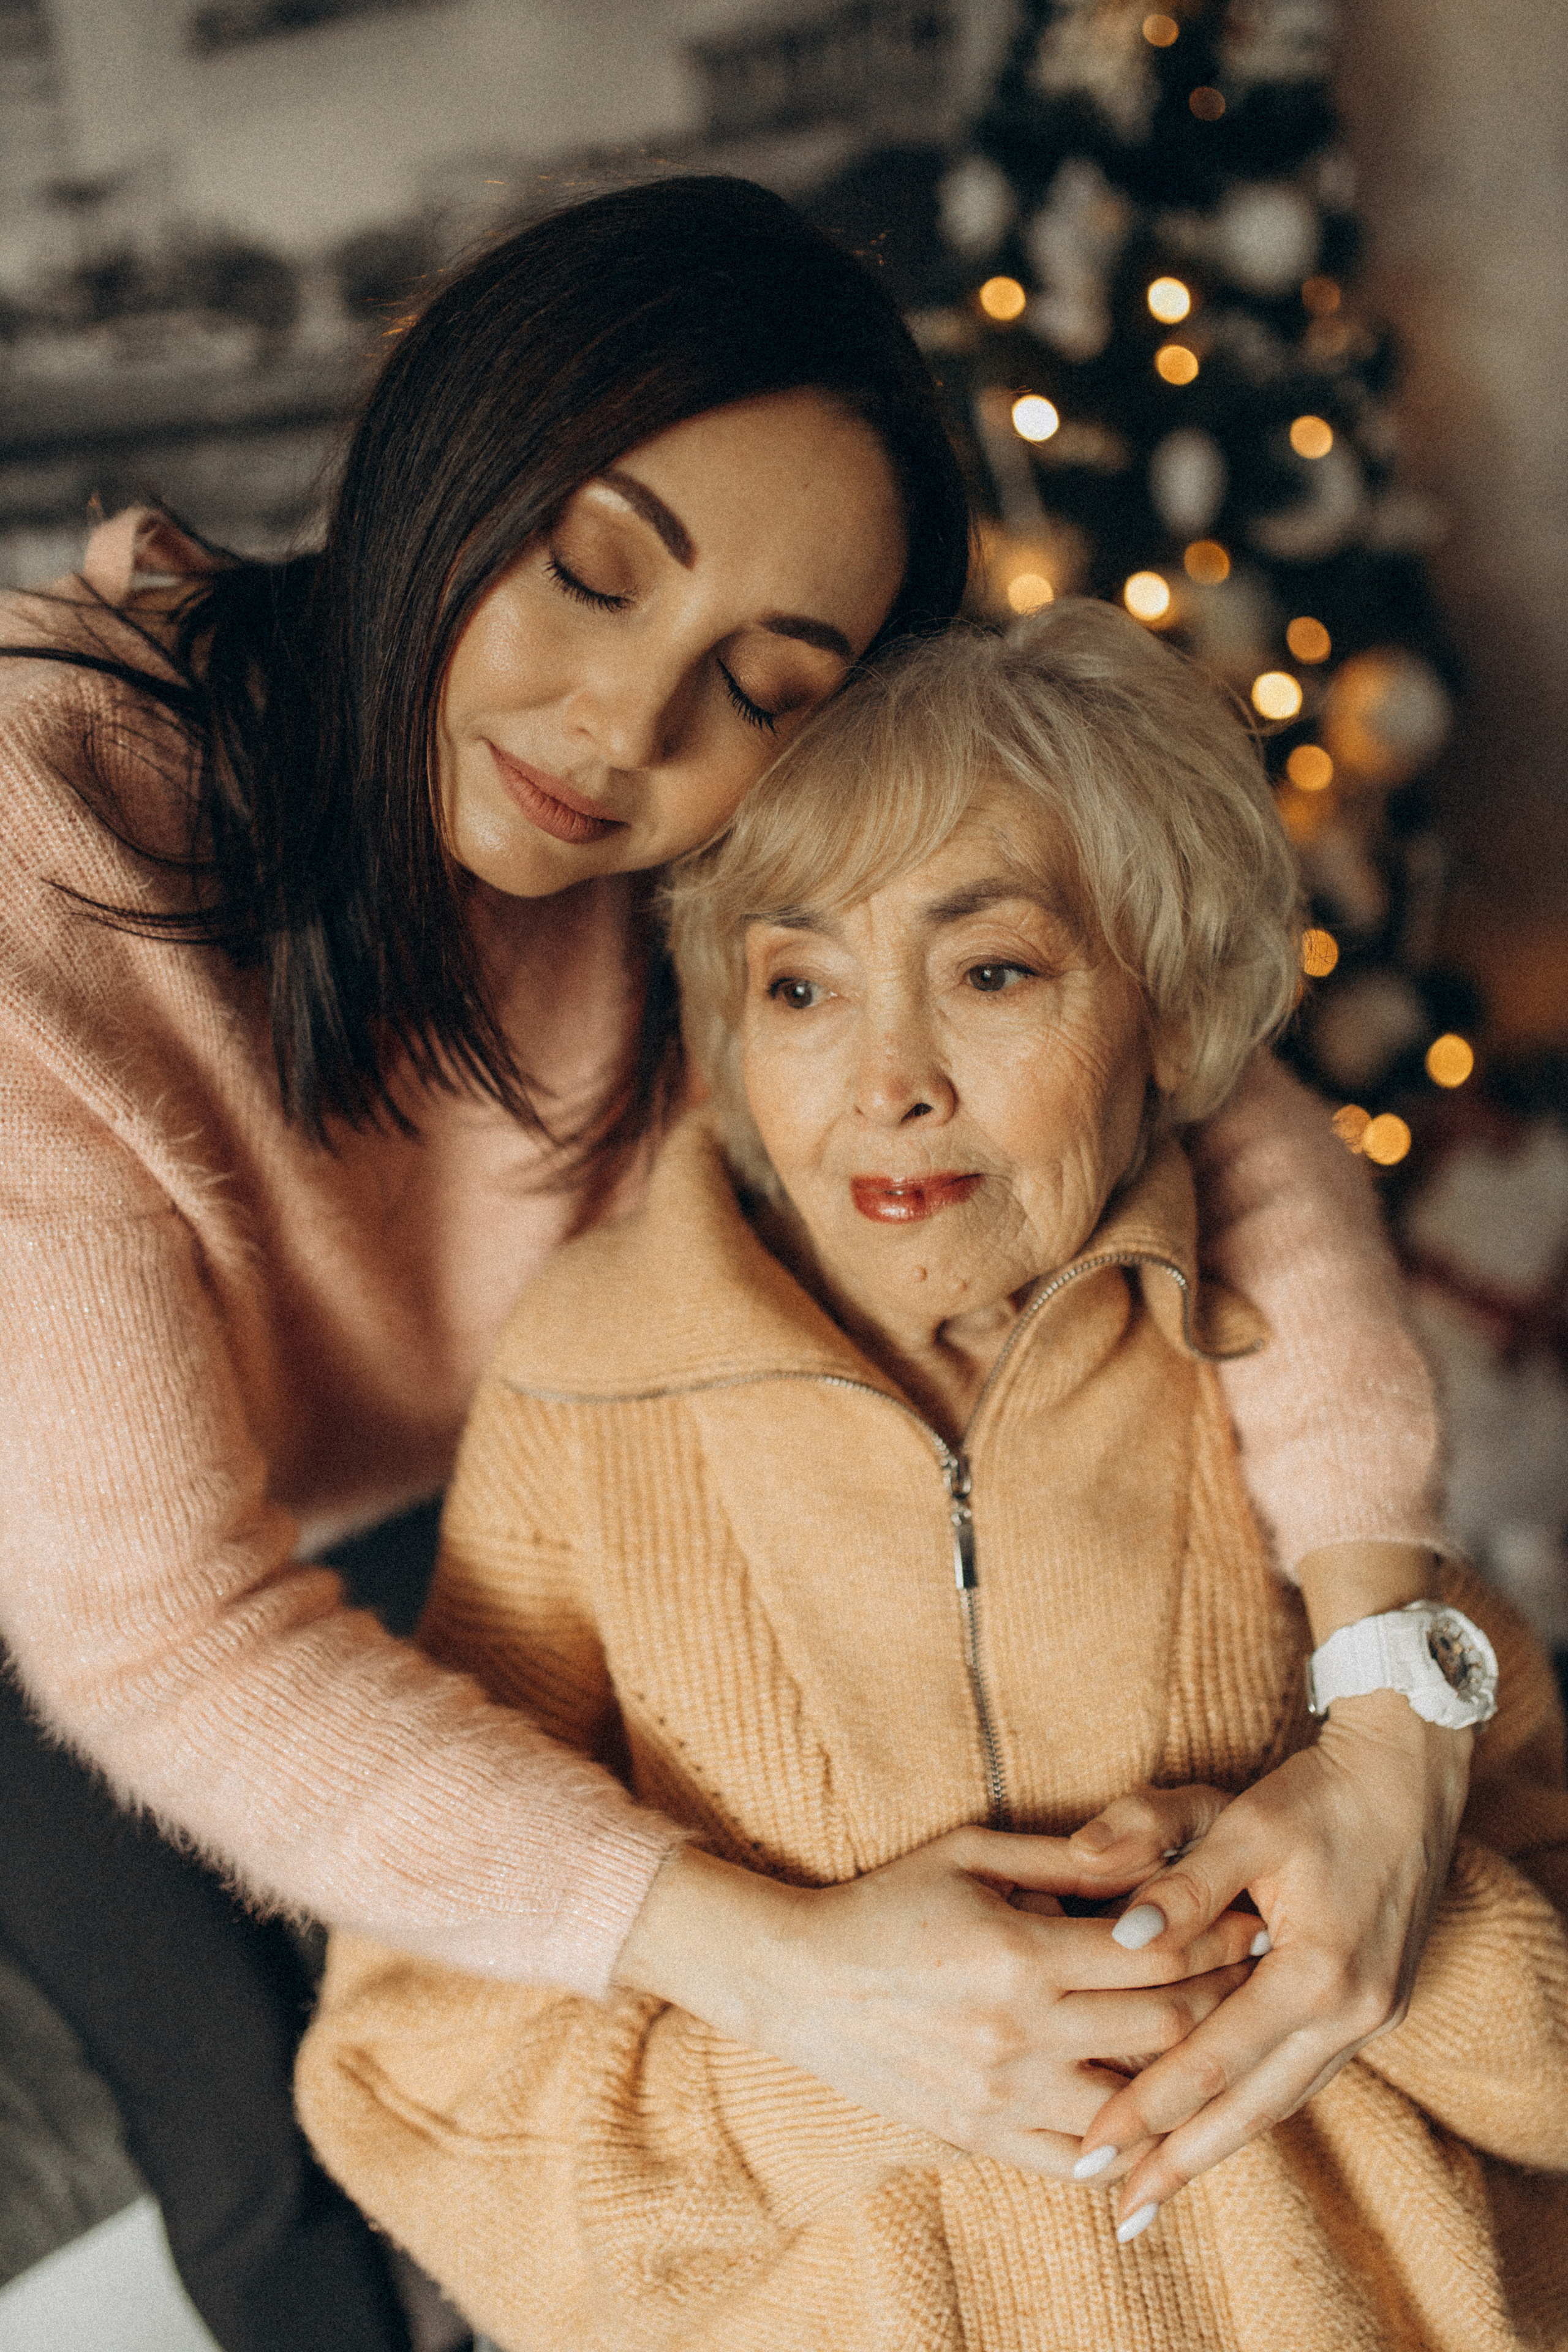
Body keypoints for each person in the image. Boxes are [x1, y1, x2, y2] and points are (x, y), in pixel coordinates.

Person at [0, 177, 1456, 2349]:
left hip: (448, 1461)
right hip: (84, 1571)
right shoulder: (43, 847)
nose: (622, 735)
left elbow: (1186, 1081)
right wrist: (771, 1966)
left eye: (763, 687)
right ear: (439, 438)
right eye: (589, 572)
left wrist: (1391, 1714)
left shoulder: (719, 857)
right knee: (263, 2147)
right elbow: (168, 1632)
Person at [296, 605, 1568, 2352]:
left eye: (992, 972)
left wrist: (1352, 1940)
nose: (884, 1082)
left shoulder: (1306, 1385)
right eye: (802, 986)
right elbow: (415, 2090)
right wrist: (836, 2064)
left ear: (1171, 1019)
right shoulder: (589, 1398)